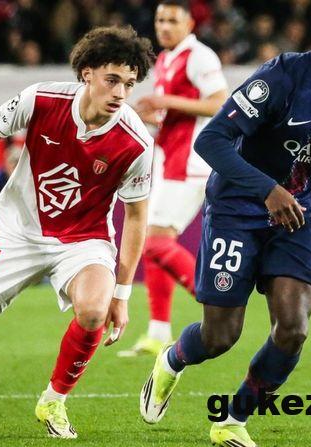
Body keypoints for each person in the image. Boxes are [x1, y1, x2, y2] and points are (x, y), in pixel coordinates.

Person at [139, 1, 311, 446]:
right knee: (220, 336)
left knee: (293, 329)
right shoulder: (280, 77)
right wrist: (267, 190)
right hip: (237, 210)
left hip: (295, 215)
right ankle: (172, 360)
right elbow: (212, 140)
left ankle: (232, 421)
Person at [0, 25, 155, 439]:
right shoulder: (41, 99)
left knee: (93, 312)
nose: (120, 92)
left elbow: (135, 218)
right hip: (20, 233)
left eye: (129, 84)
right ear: (87, 73)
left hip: (84, 241)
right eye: (112, 79)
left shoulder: (136, 143)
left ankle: (53, 402)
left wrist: (122, 293)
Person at [118, 0, 228, 358]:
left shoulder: (200, 57)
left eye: (172, 20)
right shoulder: (166, 59)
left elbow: (220, 103)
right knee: (153, 243)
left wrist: (167, 101)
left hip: (191, 162)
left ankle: (220, 305)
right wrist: (148, 115)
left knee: (153, 243)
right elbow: (177, 113)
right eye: (160, 20)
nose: (164, 26)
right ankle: (157, 332)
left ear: (189, 23)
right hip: (168, 160)